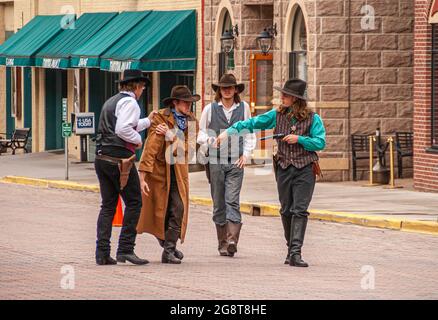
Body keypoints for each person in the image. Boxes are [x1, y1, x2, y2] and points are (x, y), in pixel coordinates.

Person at [215, 79, 326, 267]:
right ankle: (290, 248)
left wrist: (300, 139)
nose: (281, 97)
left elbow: (320, 142)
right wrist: (229, 132)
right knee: (286, 210)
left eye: (286, 95)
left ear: (296, 99)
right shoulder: (276, 115)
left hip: (305, 168)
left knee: (300, 210)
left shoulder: (314, 119)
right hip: (283, 168)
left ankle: (295, 252)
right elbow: (252, 123)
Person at [94, 69, 155, 266]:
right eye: (142, 87)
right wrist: (138, 141)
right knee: (135, 202)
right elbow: (123, 129)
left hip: (102, 156)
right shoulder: (131, 103)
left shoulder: (112, 101)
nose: (142, 90)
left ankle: (102, 252)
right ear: (136, 86)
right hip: (119, 159)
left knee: (108, 205)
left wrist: (148, 121)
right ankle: (126, 249)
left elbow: (123, 124)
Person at [137, 85, 199, 264]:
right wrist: (143, 172)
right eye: (185, 102)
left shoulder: (192, 121)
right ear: (175, 103)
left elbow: (190, 148)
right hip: (159, 171)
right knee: (160, 210)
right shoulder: (159, 117)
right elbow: (151, 147)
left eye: (190, 103)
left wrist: (171, 135)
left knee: (178, 208)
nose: (188, 106)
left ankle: (168, 248)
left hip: (179, 172)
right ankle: (168, 246)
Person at [197, 73, 256, 257]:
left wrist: (246, 155)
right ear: (219, 90)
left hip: (235, 161)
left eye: (230, 87)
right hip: (215, 161)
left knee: (232, 199)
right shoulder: (210, 109)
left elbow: (249, 133)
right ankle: (222, 242)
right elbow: (200, 134)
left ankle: (232, 240)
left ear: (236, 89)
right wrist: (209, 140)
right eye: (224, 88)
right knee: (219, 203)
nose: (227, 90)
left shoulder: (244, 108)